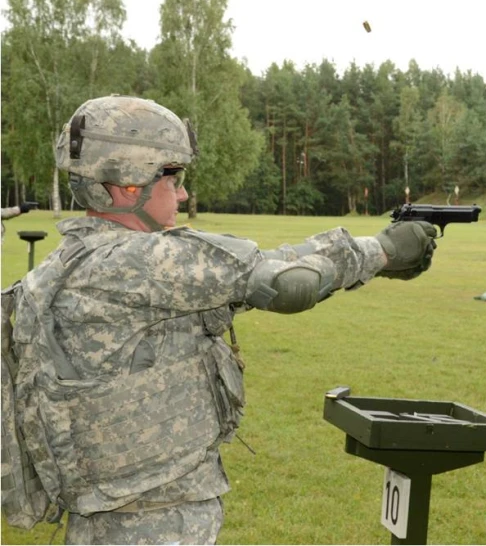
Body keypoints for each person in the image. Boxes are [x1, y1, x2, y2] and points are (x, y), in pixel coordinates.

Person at [3, 95, 436, 545]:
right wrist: (384, 251)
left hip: (112, 516)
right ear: (128, 185)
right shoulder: (143, 263)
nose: (184, 193)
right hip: (155, 524)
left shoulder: (70, 264)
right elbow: (288, 284)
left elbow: (261, 265)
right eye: (172, 178)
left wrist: (363, 250)